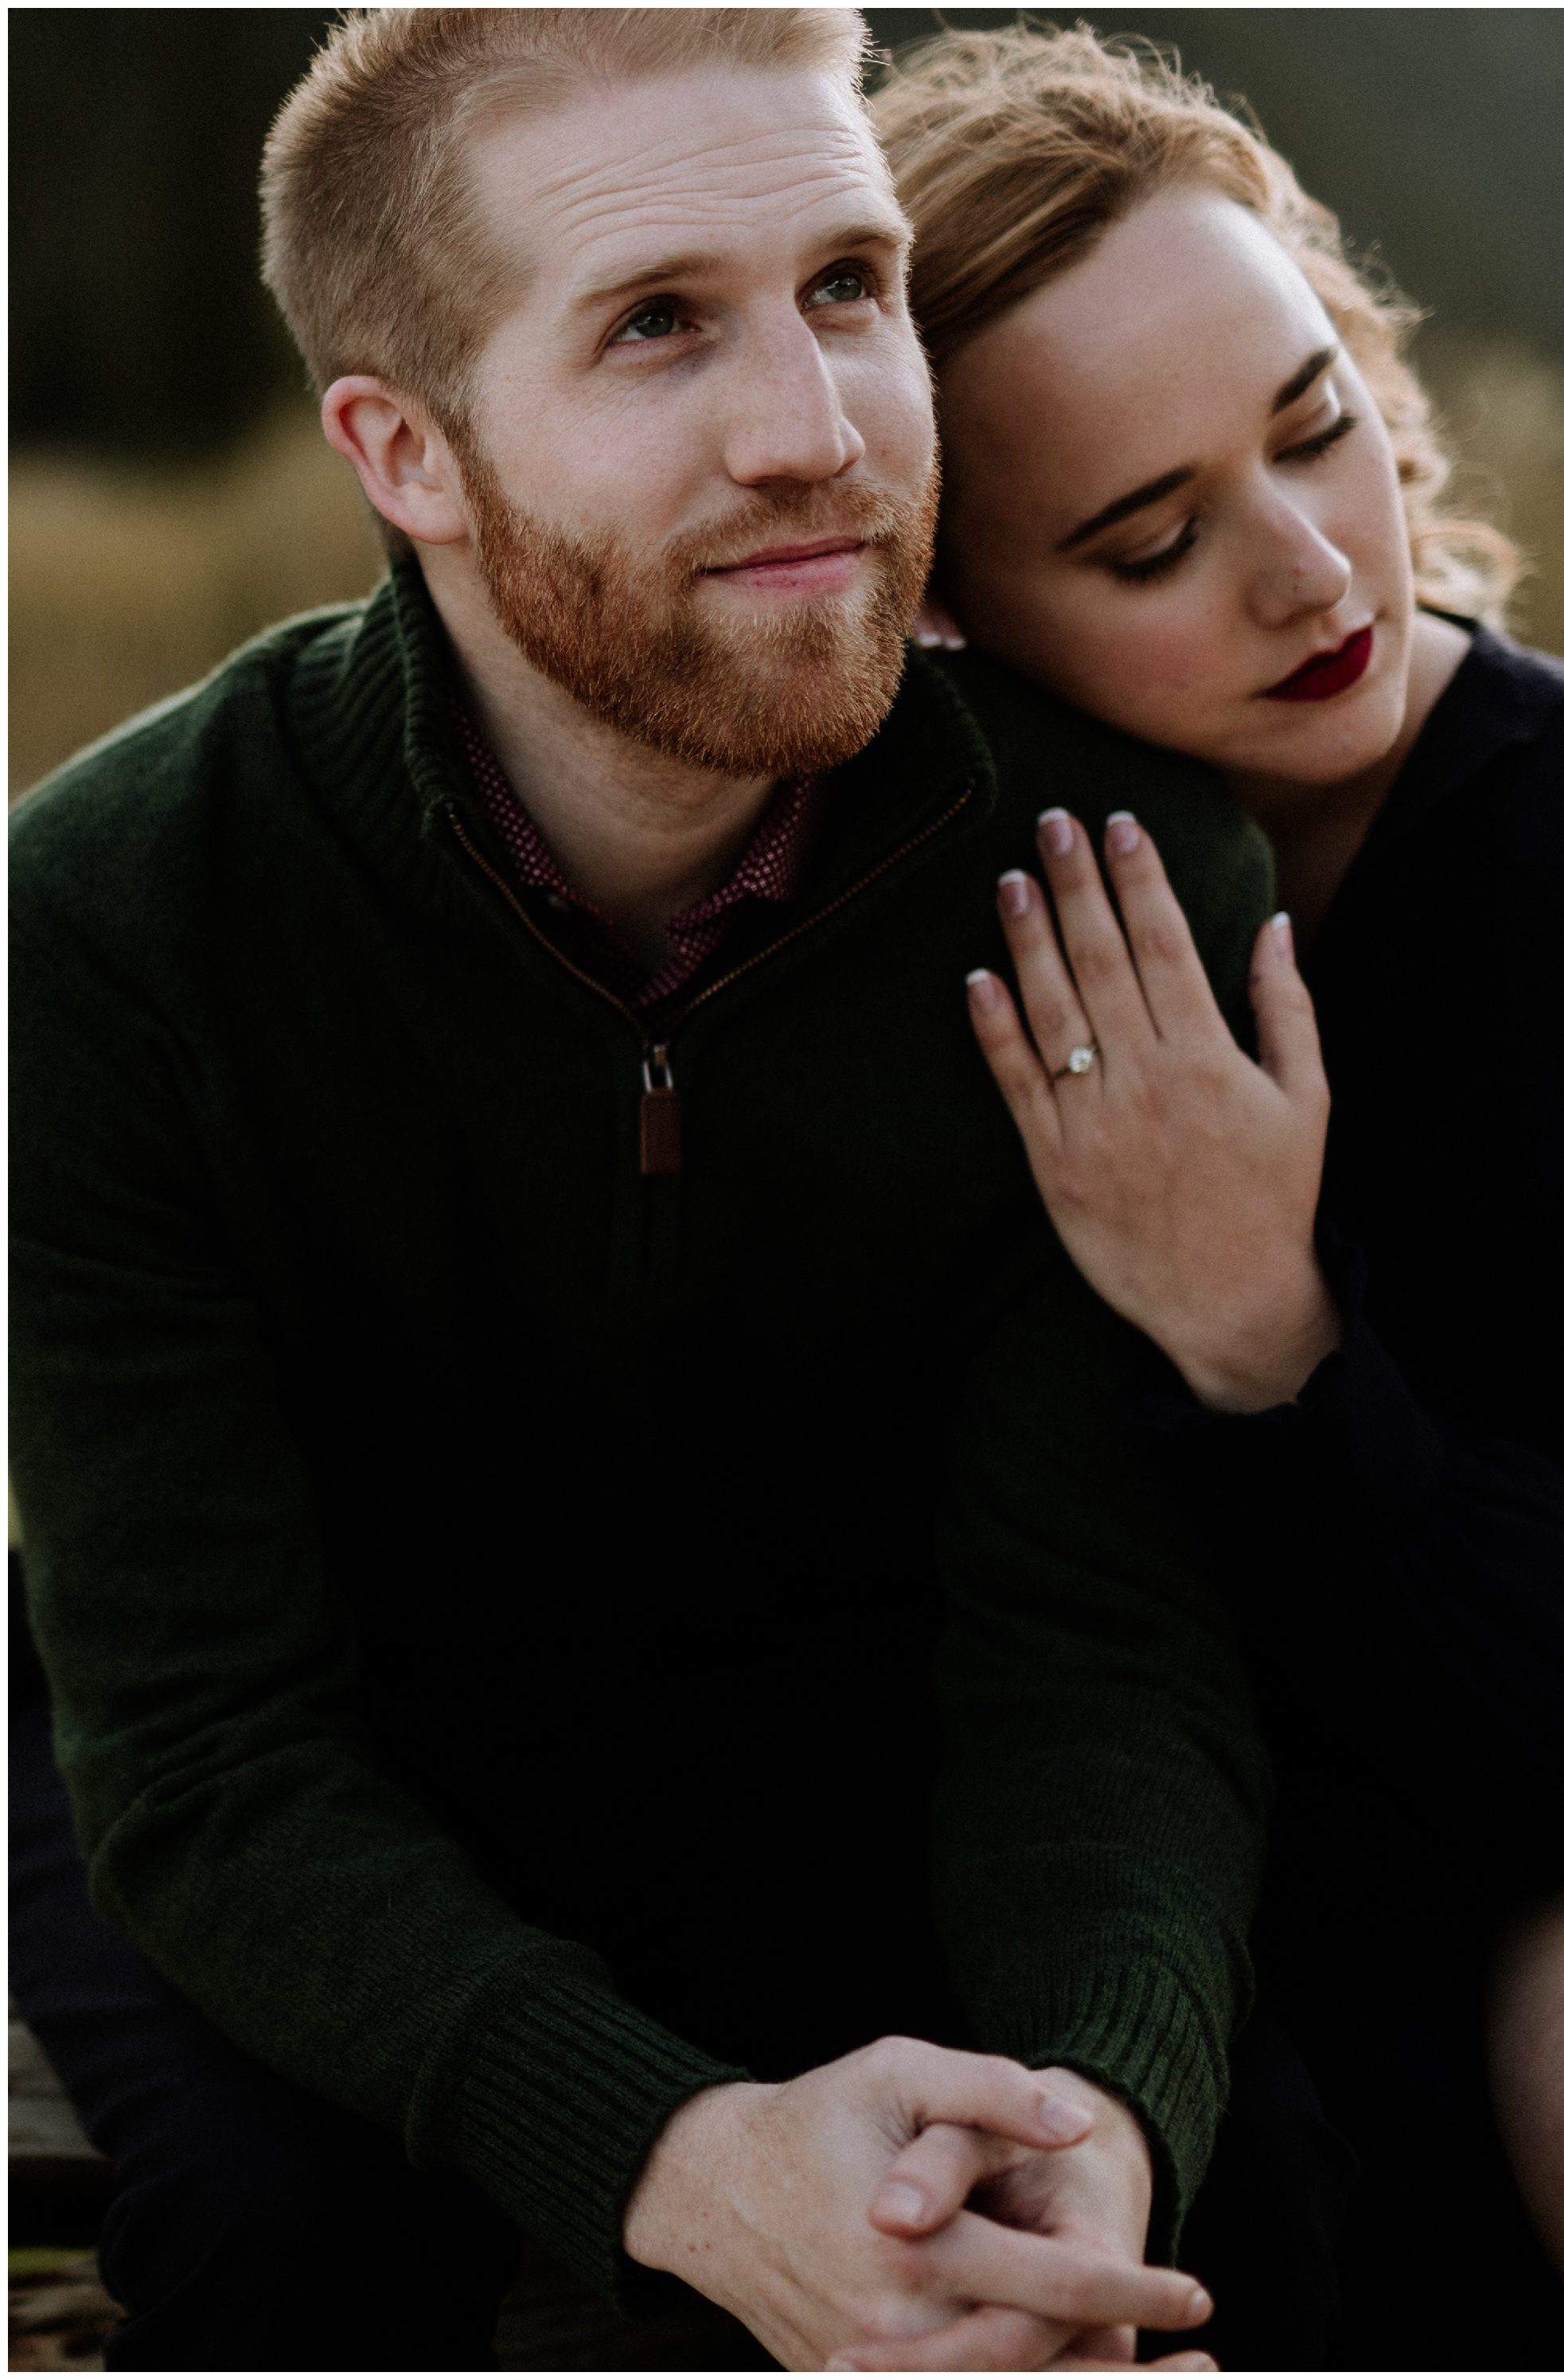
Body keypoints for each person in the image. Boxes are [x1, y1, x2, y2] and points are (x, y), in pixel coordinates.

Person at [8, 10, 1342, 2372]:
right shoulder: (110, 925)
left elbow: (1100, 1638)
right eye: (657, 325)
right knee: (295, 2249)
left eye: (849, 285)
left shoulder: (1108, 865)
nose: (818, 432)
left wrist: (1090, 2118)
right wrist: (670, 2160)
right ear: (402, 449)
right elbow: (211, 1756)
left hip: (832, 1742)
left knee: (1270, 2207)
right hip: (297, 1786)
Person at [872, 24, 1564, 2374]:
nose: (1308, 569)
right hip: (1115, 1926)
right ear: (943, 611)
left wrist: (1264, 1341)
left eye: (1318, 425)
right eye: (1151, 538)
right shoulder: (918, 930)